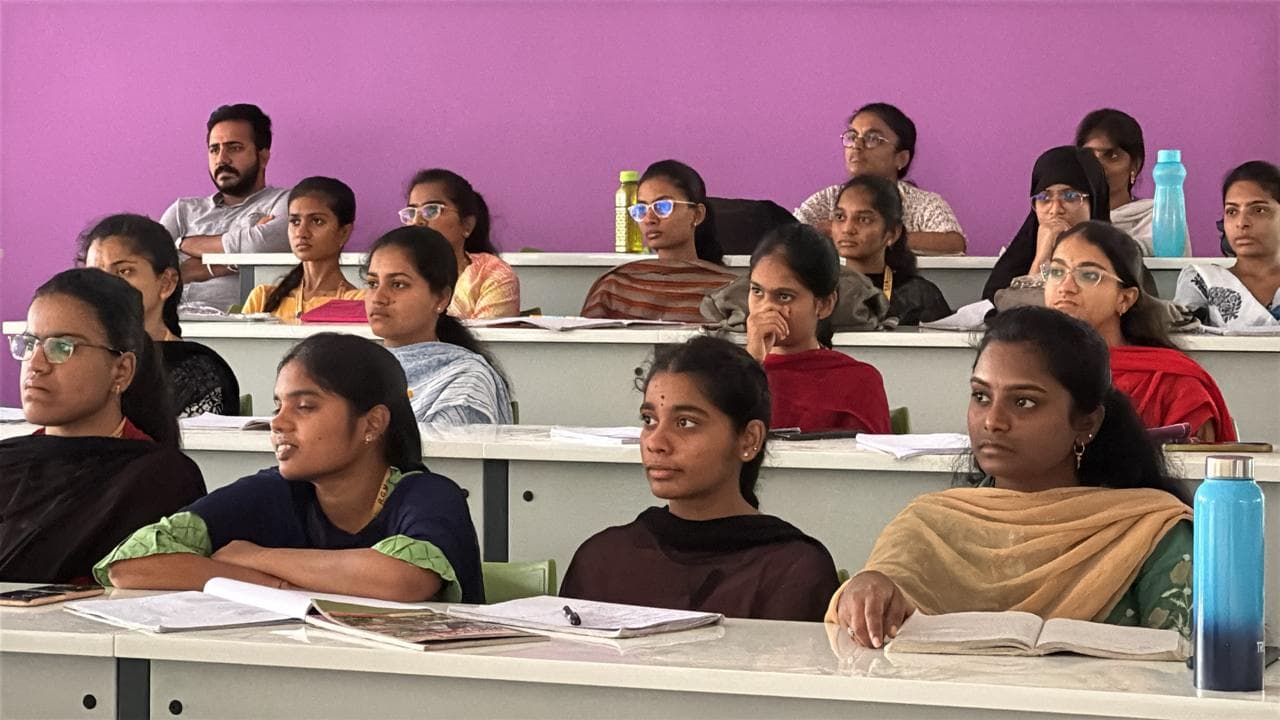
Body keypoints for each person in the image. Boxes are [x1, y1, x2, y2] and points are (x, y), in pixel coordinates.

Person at [827, 306, 1193, 647]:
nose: (992, 421)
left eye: (1024, 402)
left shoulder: (1150, 531)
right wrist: (865, 591)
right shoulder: (927, 525)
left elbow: (1181, 677)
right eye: (981, 397)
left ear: (1087, 422)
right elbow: (876, 622)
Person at [97, 333, 484, 603]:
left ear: (372, 424)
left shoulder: (428, 495)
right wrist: (271, 586)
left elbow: (403, 579)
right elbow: (131, 565)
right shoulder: (273, 492)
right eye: (278, 405)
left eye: (305, 406)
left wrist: (254, 557)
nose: (278, 423)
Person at [559, 336, 839, 621]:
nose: (656, 442)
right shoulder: (602, 561)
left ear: (748, 439)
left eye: (686, 423)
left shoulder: (793, 571)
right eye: (649, 420)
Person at [0, 269, 205, 583]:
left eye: (62, 347)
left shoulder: (158, 479)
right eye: (29, 343)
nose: (36, 365)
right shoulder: (9, 461)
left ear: (121, 370)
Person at [1045, 221, 1235, 441]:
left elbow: (1193, 471)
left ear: (1125, 298)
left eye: (1088, 275)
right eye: (1057, 271)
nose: (1065, 287)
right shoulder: (1031, 367)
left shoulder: (1173, 381)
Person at [80, 214, 240, 417]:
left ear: (166, 283)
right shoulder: (78, 357)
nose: (106, 286)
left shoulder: (195, 370)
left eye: (124, 271)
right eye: (95, 274)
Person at [746, 224, 890, 433]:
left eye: (784, 296)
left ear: (824, 305)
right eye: (757, 291)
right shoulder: (720, 376)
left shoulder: (858, 381)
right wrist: (751, 362)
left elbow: (871, 462)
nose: (766, 307)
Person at [365, 227, 513, 424]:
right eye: (373, 284)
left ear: (441, 298)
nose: (378, 298)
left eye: (398, 284)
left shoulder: (464, 381)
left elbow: (447, 453)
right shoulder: (354, 369)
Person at [160, 103, 290, 311]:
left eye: (235, 148)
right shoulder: (182, 211)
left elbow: (258, 245)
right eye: (214, 149)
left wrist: (182, 246)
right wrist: (238, 257)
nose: (222, 159)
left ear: (263, 156)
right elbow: (152, 270)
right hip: (173, 325)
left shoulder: (283, 203)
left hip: (241, 330)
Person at [794, 103, 966, 255]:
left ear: (902, 158)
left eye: (873, 139)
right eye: (852, 136)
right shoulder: (827, 199)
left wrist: (872, 236)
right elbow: (788, 237)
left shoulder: (923, 203)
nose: (857, 146)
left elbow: (954, 243)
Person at [581, 160, 735, 322]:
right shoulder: (614, 286)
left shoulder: (728, 291)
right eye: (641, 209)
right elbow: (587, 346)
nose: (649, 219)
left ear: (697, 215)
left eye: (662, 207)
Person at [982, 146, 1111, 300]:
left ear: (1095, 202)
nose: (1055, 209)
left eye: (1070, 196)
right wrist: (1042, 257)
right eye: (1044, 198)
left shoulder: (1119, 260)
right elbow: (1018, 314)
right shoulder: (1019, 259)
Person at [830, 175, 951, 325]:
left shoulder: (918, 295)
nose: (847, 229)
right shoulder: (821, 290)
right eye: (840, 217)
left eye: (863, 219)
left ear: (893, 233)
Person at [400, 169, 519, 318]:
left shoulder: (491, 274)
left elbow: (483, 340)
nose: (417, 221)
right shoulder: (394, 270)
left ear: (467, 225)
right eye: (411, 212)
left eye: (431, 210)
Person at [241, 177, 365, 318]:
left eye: (317, 221)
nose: (301, 232)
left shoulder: (357, 302)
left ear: (344, 233)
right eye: (295, 221)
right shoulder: (262, 298)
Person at [1175, 161, 1280, 328]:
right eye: (1232, 211)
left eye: (1258, 210)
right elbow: (1183, 343)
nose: (1241, 223)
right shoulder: (1202, 281)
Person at [1074, 108, 1186, 256]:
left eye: (1112, 156)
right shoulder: (1066, 213)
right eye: (1089, 156)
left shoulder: (1161, 218)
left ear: (1135, 165)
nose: (1098, 166)